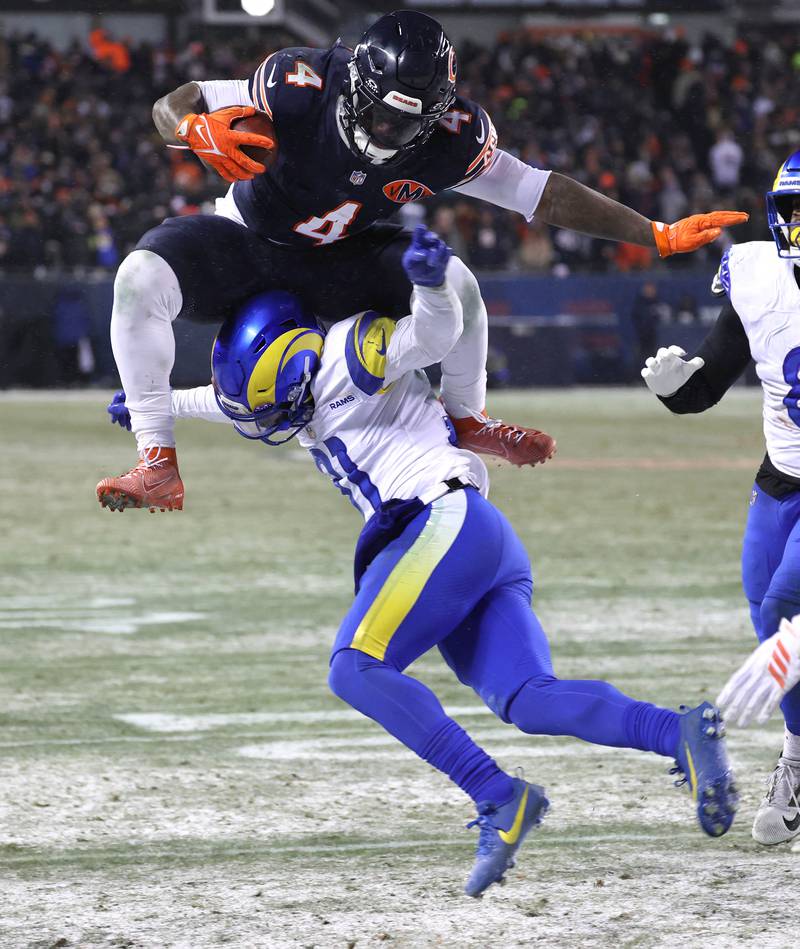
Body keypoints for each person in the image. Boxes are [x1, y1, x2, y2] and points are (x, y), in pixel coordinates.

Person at [109, 226, 737, 895]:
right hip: (479, 535)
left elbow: (433, 336)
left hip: (438, 522)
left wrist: (432, 284)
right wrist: (156, 405)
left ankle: (499, 795)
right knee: (529, 697)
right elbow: (233, 401)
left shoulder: (351, 353)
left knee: (355, 667)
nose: (263, 423)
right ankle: (681, 731)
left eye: (264, 407)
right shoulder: (292, 379)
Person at [97, 9, 748, 513]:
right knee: (138, 280)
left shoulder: (450, 138)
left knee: (456, 283)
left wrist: (653, 234)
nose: (388, 133)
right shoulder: (299, 82)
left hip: (340, 262)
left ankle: (467, 417)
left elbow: (539, 192)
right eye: (379, 116)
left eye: (406, 125)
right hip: (248, 242)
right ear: (356, 85)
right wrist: (192, 128)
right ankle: (156, 460)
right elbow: (173, 102)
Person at [641, 150, 800, 846]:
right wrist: (679, 388)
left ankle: (795, 764)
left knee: (785, 614)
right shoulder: (757, 273)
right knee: (763, 604)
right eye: (797, 210)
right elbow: (712, 380)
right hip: (782, 474)